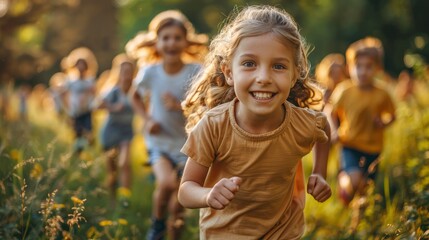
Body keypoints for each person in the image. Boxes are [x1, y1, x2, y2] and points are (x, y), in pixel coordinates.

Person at [178, 5, 332, 239]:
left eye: (278, 66)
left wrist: (320, 173)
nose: (263, 78)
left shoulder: (302, 123)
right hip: (224, 233)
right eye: (249, 64)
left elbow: (324, 127)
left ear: (294, 74)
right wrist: (208, 196)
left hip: (283, 231)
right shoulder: (214, 126)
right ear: (229, 72)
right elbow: (186, 190)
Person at [128, 10, 208, 240]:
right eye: (166, 37)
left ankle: (174, 233)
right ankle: (157, 225)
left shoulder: (196, 71)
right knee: (165, 183)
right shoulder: (150, 72)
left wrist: (182, 106)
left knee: (179, 202)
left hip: (187, 145)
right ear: (157, 42)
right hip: (160, 142)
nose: (171, 42)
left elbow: (206, 104)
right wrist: (147, 119)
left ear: (186, 41)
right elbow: (134, 96)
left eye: (177, 37)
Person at [329, 37, 396, 206]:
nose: (363, 71)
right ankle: (344, 181)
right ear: (349, 68)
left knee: (364, 190)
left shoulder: (382, 93)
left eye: (369, 67)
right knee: (355, 180)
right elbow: (330, 111)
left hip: (373, 148)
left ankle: (356, 222)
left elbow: (392, 115)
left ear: (378, 68)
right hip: (349, 143)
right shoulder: (345, 90)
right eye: (358, 66)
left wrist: (384, 122)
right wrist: (334, 131)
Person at [97, 54, 136, 207]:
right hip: (110, 132)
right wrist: (113, 107)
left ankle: (125, 199)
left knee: (125, 163)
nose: (126, 75)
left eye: (129, 71)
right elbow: (98, 105)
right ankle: (113, 199)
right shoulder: (113, 91)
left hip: (126, 131)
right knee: (112, 170)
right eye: (123, 71)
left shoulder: (136, 91)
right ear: (118, 73)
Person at [62, 47, 98, 154]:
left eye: (83, 64)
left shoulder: (90, 80)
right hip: (75, 112)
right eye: (79, 64)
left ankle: (89, 146)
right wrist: (67, 109)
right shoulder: (70, 80)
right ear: (74, 65)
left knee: (88, 131)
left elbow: (95, 94)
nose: (81, 67)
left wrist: (91, 102)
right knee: (77, 133)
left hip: (87, 111)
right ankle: (79, 153)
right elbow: (64, 95)